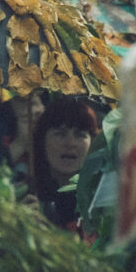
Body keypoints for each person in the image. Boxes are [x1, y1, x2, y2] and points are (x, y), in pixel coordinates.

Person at [29, 96, 100, 235]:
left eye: (80, 135)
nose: (70, 143)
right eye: (60, 134)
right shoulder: (26, 192)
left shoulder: (103, 202)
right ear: (42, 140)